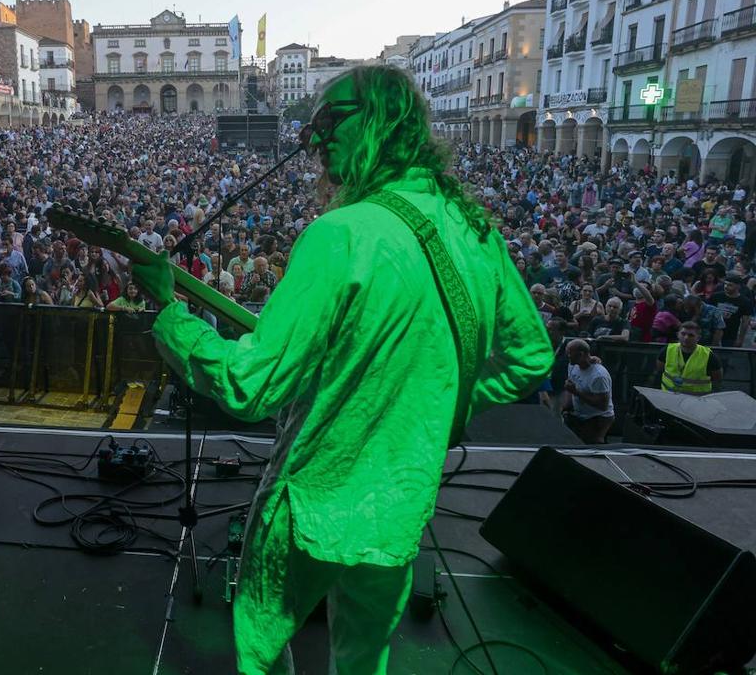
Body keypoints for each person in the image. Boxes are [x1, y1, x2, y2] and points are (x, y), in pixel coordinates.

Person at [130, 66, 553, 675]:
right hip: (403, 498)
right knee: (364, 657)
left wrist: (172, 314)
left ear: (380, 122)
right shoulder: (472, 228)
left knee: (261, 645)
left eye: (330, 121)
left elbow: (249, 385)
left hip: (315, 498)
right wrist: (443, 410)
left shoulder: (342, 233)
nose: (313, 136)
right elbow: (531, 357)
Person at [561, 338, 614, 444]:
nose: (568, 356)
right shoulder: (573, 365)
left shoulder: (599, 376)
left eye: (570, 353)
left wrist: (576, 392)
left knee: (592, 445)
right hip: (579, 415)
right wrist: (566, 407)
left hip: (598, 417)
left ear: (580, 354)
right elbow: (570, 386)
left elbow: (602, 405)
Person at [653, 321, 722, 394]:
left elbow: (717, 377)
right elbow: (660, 368)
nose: (686, 338)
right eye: (683, 334)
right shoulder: (667, 350)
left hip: (696, 400)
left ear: (698, 338)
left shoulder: (709, 356)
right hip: (669, 396)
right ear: (677, 335)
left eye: (691, 335)